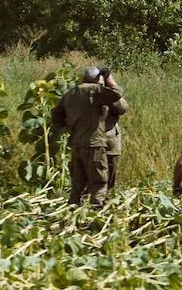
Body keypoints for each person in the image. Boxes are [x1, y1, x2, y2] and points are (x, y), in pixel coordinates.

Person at [51, 66, 127, 208]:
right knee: (99, 181)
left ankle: (72, 208)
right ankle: (95, 211)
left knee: (77, 183)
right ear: (97, 79)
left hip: (76, 144)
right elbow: (118, 93)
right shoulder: (94, 90)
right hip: (95, 143)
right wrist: (109, 79)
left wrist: (67, 128)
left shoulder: (70, 93)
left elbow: (56, 115)